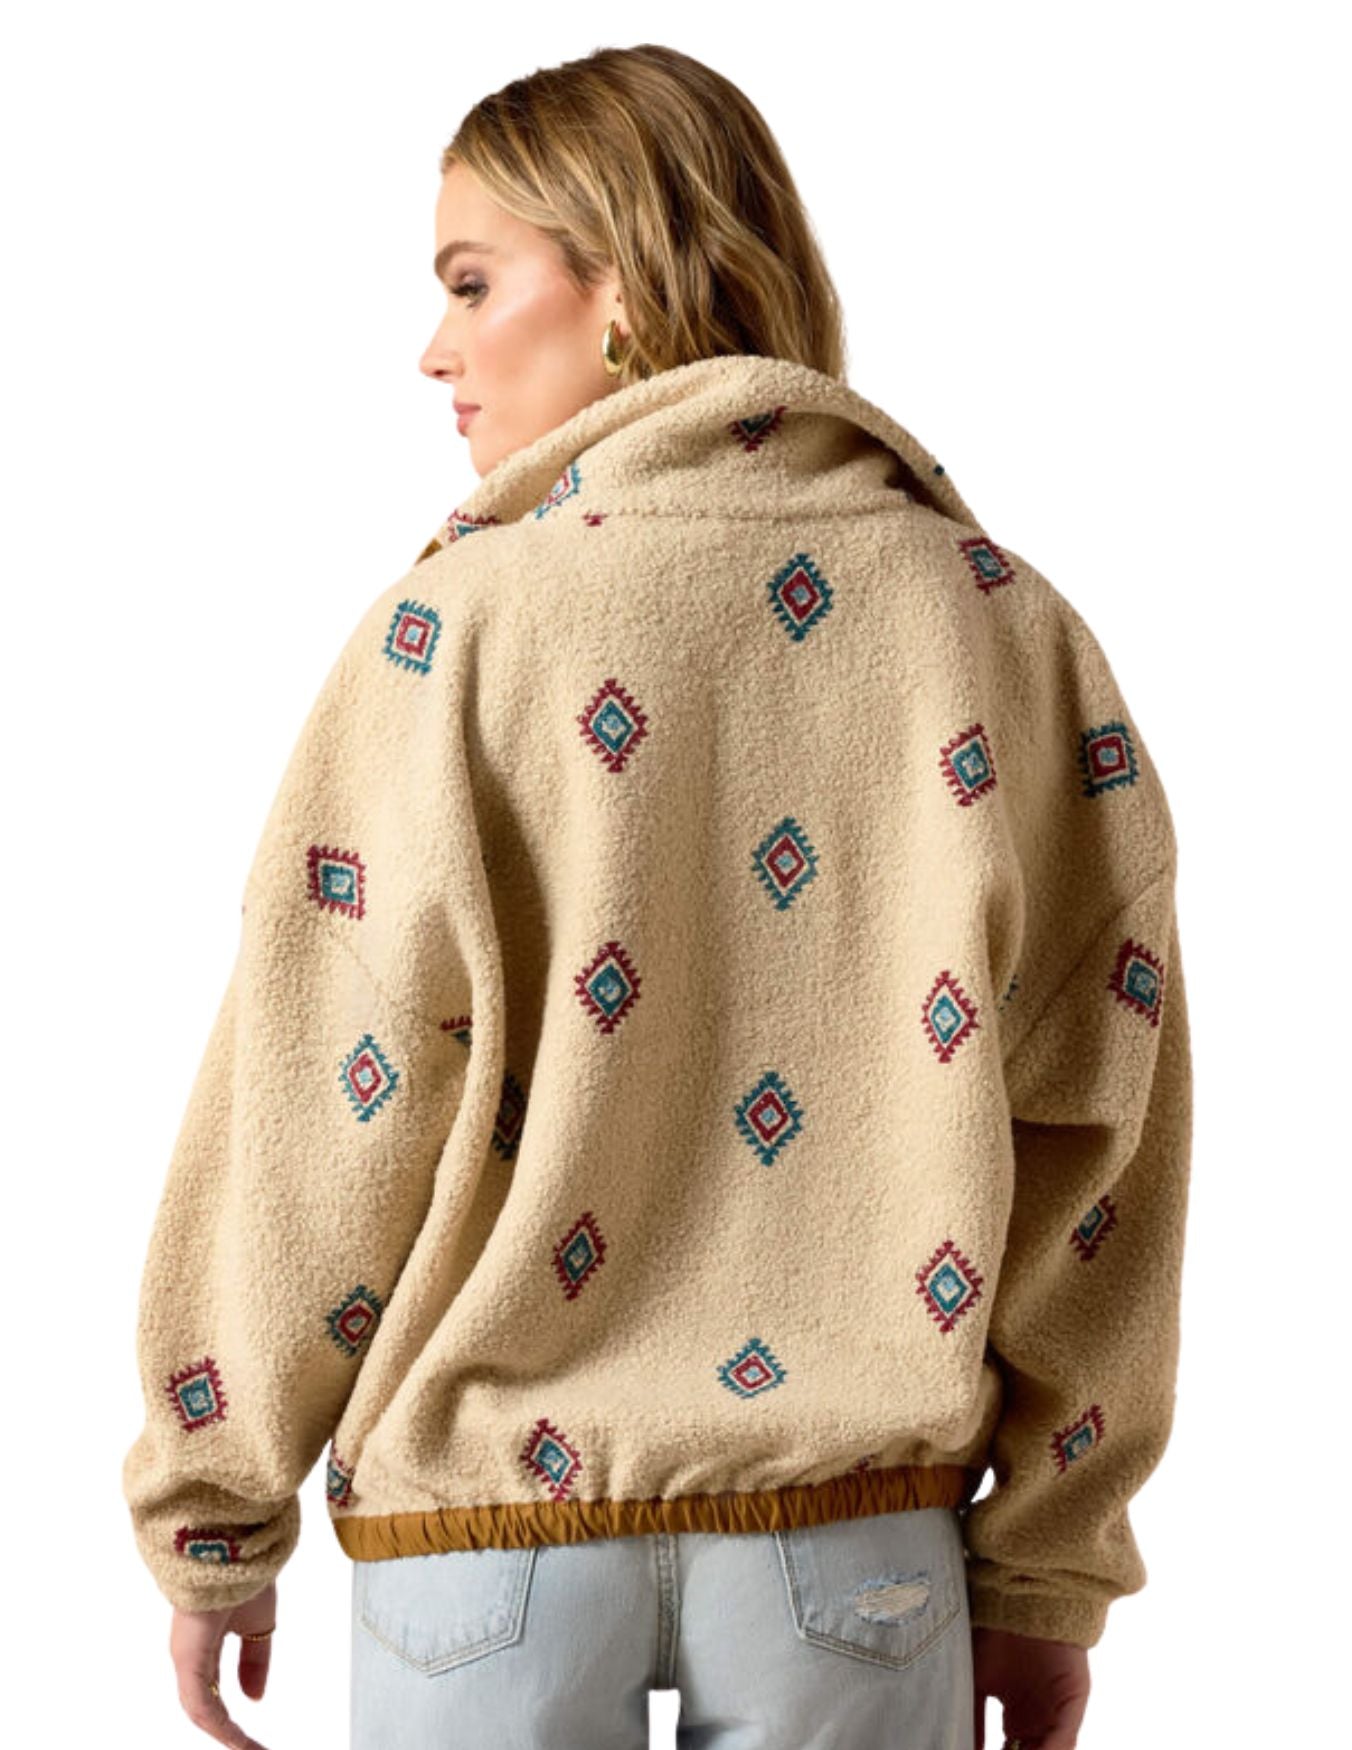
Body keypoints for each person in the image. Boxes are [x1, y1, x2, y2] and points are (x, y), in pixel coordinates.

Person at [121, 42, 1193, 1750]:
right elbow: (1100, 1130)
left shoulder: (451, 636)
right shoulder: (1001, 625)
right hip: (857, 1537)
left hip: (484, 1549)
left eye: (472, 282)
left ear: (620, 283)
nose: (433, 349)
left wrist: (215, 1507)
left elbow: (320, 1103)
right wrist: (1051, 1558)